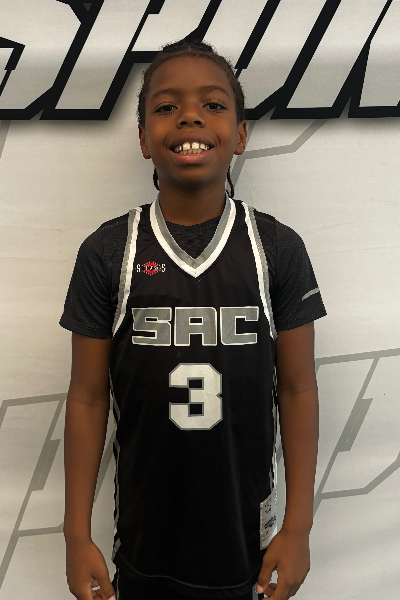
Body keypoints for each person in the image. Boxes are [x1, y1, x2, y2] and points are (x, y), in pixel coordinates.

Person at [61, 39, 327, 600]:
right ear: (142, 138)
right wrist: (75, 534)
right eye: (166, 106)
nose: (189, 117)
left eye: (212, 104)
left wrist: (299, 527)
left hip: (245, 542)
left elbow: (298, 388)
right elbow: (86, 396)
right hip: (143, 542)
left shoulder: (276, 248)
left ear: (241, 133)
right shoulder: (108, 251)